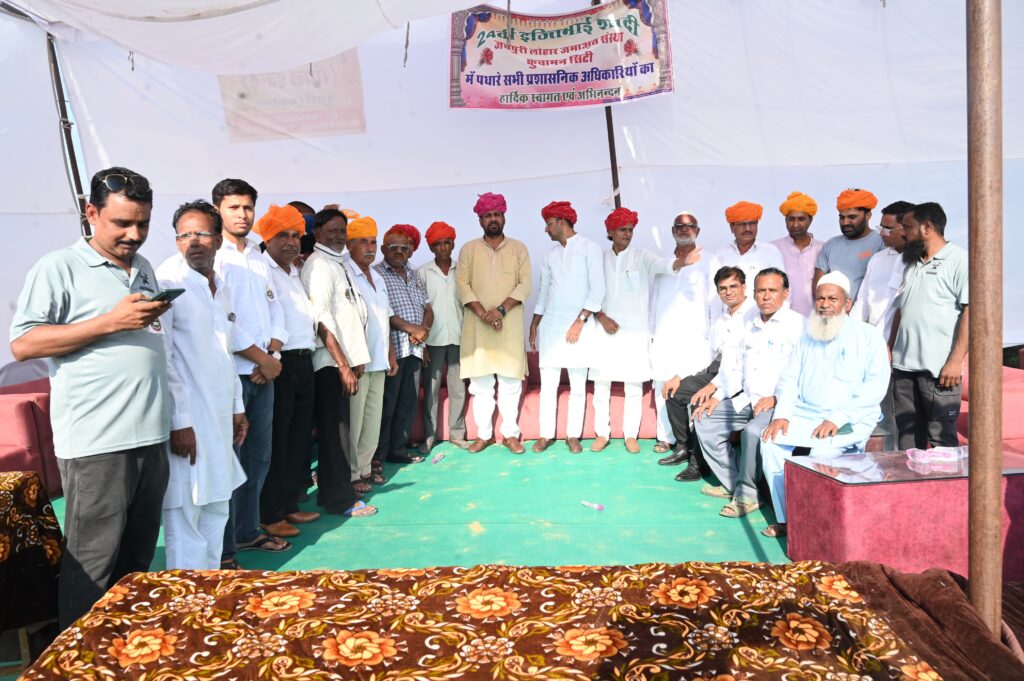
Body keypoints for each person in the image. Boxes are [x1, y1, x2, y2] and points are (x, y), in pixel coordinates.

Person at [10, 167, 171, 627]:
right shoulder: (58, 267)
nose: (133, 234)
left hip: (151, 435)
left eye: (142, 223)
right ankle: (78, 656)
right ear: (91, 213)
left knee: (135, 560)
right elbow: (23, 344)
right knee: (92, 567)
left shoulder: (143, 267)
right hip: (98, 443)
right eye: (122, 223)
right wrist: (109, 322)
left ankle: (123, 646)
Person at [759, 272, 890, 538]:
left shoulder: (869, 336)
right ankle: (788, 518)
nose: (825, 304)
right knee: (770, 442)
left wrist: (837, 418)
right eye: (820, 298)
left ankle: (816, 521)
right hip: (806, 414)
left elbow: (875, 386)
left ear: (847, 303)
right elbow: (789, 378)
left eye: (833, 299)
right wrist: (782, 415)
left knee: (822, 453)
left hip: (849, 419)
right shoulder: (809, 335)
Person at [157, 200, 248, 569]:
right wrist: (179, 423)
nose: (192, 242)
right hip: (189, 422)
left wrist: (237, 408)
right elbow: (163, 360)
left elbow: (226, 353)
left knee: (216, 507)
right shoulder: (168, 284)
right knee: (186, 516)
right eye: (184, 235)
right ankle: (185, 594)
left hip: (219, 417)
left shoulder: (221, 286)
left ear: (219, 239)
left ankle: (210, 587)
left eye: (201, 234)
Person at [212, 178, 289, 563]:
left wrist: (272, 353)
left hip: (265, 372)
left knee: (259, 457)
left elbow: (275, 308)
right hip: (234, 375)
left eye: (247, 207)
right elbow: (223, 320)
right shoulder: (215, 256)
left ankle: (247, 531)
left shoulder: (258, 256)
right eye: (234, 207)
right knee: (232, 462)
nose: (242, 214)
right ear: (218, 211)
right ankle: (225, 544)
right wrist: (262, 358)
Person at [691, 268, 804, 518]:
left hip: (778, 404)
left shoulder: (798, 325)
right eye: (761, 291)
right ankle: (734, 483)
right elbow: (735, 368)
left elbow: (804, 374)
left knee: (753, 432)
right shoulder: (749, 322)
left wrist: (777, 399)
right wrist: (717, 396)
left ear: (786, 293)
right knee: (704, 419)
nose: (766, 296)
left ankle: (748, 496)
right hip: (747, 399)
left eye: (772, 290)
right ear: (753, 294)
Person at [590, 207, 691, 453]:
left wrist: (682, 261)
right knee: (601, 385)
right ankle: (602, 433)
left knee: (633, 386)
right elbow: (590, 291)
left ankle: (630, 436)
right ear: (610, 232)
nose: (627, 234)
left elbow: (664, 265)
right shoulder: (598, 259)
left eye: (630, 230)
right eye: (622, 230)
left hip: (635, 332)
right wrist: (601, 317)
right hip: (604, 329)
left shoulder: (641, 256)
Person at [300, 208, 377, 517]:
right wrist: (343, 364)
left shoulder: (338, 262)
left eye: (342, 231)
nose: (338, 236)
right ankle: (339, 500)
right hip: (329, 364)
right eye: (332, 231)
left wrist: (354, 360)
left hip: (343, 362)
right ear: (317, 233)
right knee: (336, 435)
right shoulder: (318, 265)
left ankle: (333, 494)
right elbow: (321, 318)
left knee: (341, 433)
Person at [254, 205, 323, 537]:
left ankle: (290, 505)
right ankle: (271, 514)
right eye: (283, 235)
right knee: (278, 442)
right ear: (267, 237)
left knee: (298, 440)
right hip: (279, 363)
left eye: (296, 235)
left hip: (304, 360)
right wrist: (269, 357)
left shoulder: (295, 271)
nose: (292, 242)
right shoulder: (260, 269)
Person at [456, 192, 532, 454]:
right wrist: (484, 315)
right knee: (480, 385)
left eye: (496, 214)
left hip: (508, 327)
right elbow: (462, 286)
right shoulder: (468, 249)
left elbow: (525, 285)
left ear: (504, 217)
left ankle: (510, 434)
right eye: (487, 215)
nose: (493, 219)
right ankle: (484, 435)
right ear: (480, 220)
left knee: (510, 382)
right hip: (478, 328)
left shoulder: (519, 248)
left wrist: (500, 311)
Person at [659, 264, 755, 468]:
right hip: (720, 373)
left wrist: (714, 387)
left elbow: (740, 365)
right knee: (675, 392)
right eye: (723, 288)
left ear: (744, 287)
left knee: (699, 400)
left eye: (733, 286)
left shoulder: (753, 316)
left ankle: (697, 463)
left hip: (743, 380)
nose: (728, 292)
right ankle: (683, 447)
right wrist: (679, 375)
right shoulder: (722, 319)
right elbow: (708, 353)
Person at [891, 202, 969, 449]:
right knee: (907, 441)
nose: (903, 233)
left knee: (941, 442)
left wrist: (955, 361)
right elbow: (901, 309)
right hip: (904, 369)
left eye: (907, 227)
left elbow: (972, 312)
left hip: (939, 371)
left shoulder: (960, 260)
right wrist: (890, 349)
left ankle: (944, 479)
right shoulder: (911, 262)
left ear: (926, 228)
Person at [530, 200, 604, 454]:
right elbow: (543, 292)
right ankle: (545, 435)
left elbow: (598, 289)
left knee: (577, 385)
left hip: (579, 326)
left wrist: (580, 320)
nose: (546, 229)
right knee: (548, 385)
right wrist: (535, 322)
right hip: (551, 326)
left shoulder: (589, 248)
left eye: (549, 223)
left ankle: (573, 435)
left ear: (562, 222)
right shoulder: (549, 255)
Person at [650, 212, 719, 476]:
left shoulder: (709, 260)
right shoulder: (664, 262)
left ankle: (691, 444)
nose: (684, 230)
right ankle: (668, 439)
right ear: (672, 230)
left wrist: (714, 335)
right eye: (679, 226)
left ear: (697, 231)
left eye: (690, 226)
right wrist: (652, 332)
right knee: (662, 385)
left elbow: (715, 300)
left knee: (688, 388)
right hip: (664, 335)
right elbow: (654, 298)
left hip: (694, 337)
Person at [852, 200, 913, 450]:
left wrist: (891, 346)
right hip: (872, 349)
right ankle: (882, 464)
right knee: (879, 415)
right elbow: (862, 303)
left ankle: (903, 462)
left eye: (888, 229)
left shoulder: (918, 261)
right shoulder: (878, 259)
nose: (882, 233)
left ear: (907, 228)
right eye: (881, 227)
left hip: (903, 351)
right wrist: (853, 340)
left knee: (905, 415)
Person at [346, 216, 398, 491]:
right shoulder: (344, 273)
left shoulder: (377, 277)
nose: (370, 248)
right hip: (358, 361)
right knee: (354, 422)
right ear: (349, 245)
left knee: (372, 420)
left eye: (373, 242)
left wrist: (391, 353)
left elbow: (384, 318)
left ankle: (365, 469)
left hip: (379, 360)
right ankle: (352, 474)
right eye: (363, 242)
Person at [374, 224, 431, 465]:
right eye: (393, 247)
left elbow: (428, 308)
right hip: (393, 350)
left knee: (407, 403)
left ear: (410, 251)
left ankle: (397, 451)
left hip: (415, 348)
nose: (399, 251)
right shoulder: (376, 274)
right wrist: (412, 329)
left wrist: (423, 331)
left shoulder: (414, 273)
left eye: (404, 248)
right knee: (387, 404)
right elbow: (383, 312)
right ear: (383, 249)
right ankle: (377, 456)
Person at [417, 221, 469, 452]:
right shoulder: (422, 272)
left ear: (453, 244)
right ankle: (429, 436)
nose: (443, 247)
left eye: (447, 242)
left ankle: (457, 434)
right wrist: (422, 344)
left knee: (458, 389)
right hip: (433, 341)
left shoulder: (463, 270)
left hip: (459, 338)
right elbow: (419, 308)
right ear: (431, 247)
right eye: (438, 244)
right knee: (431, 390)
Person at [813, 188, 885, 301]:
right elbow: (818, 287)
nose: (845, 222)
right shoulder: (830, 245)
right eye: (842, 217)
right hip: (834, 311)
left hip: (868, 311)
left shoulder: (881, 242)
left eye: (852, 217)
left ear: (868, 215)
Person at [714, 201, 785, 299]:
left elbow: (783, 286)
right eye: (742, 224)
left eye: (752, 223)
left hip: (762, 309)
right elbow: (714, 291)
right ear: (732, 227)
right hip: (729, 309)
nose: (747, 228)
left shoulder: (771, 252)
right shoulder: (720, 255)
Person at [771, 192, 823, 316]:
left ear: (810, 220)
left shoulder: (823, 249)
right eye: (791, 219)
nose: (795, 224)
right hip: (781, 319)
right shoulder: (773, 248)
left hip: (816, 319)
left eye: (801, 219)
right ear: (786, 220)